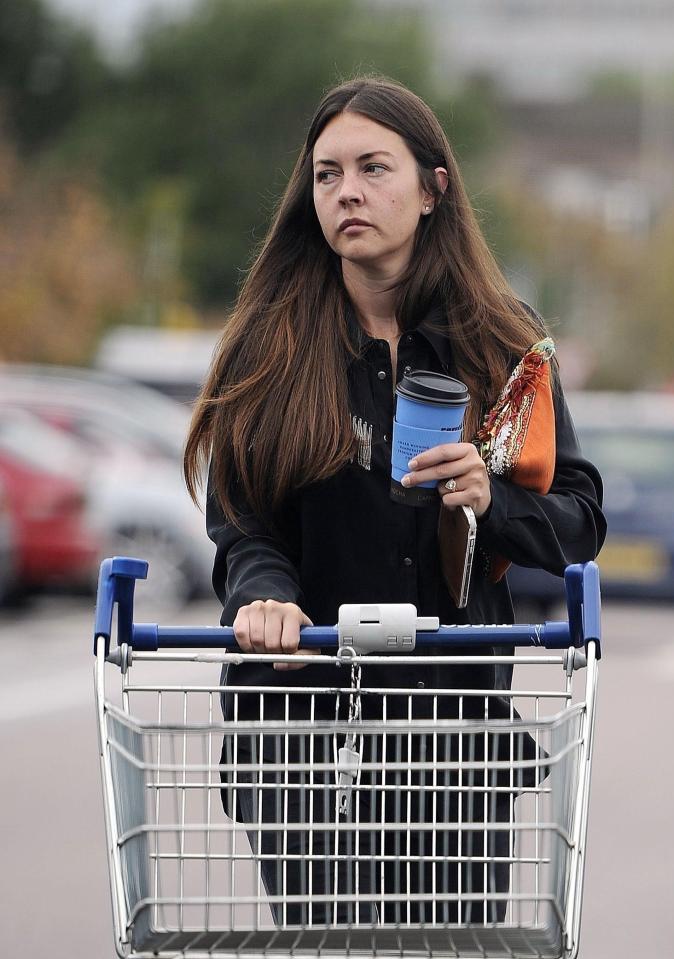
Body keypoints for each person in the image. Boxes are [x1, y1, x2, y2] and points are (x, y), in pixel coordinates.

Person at [183, 75, 606, 928]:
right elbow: (242, 520)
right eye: (328, 174)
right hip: (300, 737)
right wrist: (265, 597)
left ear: (431, 188)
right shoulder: (269, 344)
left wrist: (494, 500)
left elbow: (580, 520)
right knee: (335, 941)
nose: (348, 191)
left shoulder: (505, 343)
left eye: (374, 168)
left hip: (454, 736)